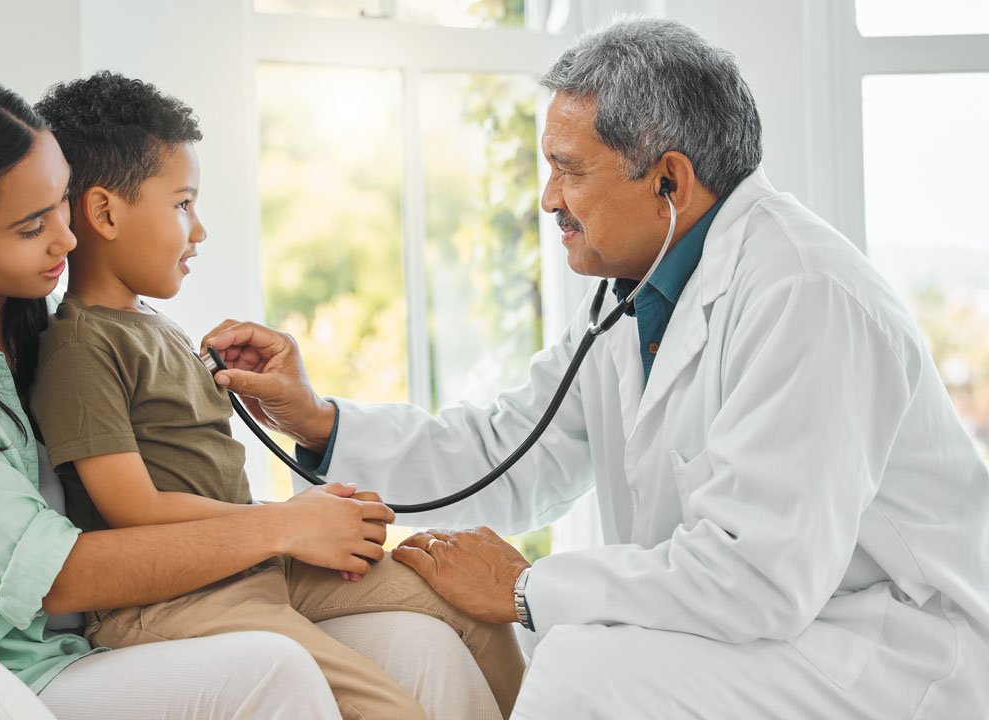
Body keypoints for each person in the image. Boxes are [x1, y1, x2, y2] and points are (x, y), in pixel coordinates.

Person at [201, 17, 989, 718]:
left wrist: (523, 588)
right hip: (790, 625)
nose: (548, 199)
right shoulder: (634, 293)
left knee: (582, 664)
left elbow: (758, 577)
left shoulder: (805, 296)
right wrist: (319, 422)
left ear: (669, 181)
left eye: (569, 169)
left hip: (892, 649)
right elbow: (509, 451)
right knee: (578, 655)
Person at [0, 75, 463, 720]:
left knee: (426, 635)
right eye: (32, 225)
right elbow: (58, 575)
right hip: (0, 679)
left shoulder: (40, 328)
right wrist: (283, 527)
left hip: (86, 639)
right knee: (273, 672)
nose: (68, 239)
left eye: (61, 201)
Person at [28, 71, 523, 720]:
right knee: (390, 708)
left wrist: (308, 524)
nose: (199, 230)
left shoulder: (154, 324)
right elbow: (134, 509)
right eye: (182, 205)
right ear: (103, 213)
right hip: (171, 599)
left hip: (251, 565)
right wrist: (289, 525)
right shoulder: (79, 345)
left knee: (470, 605)